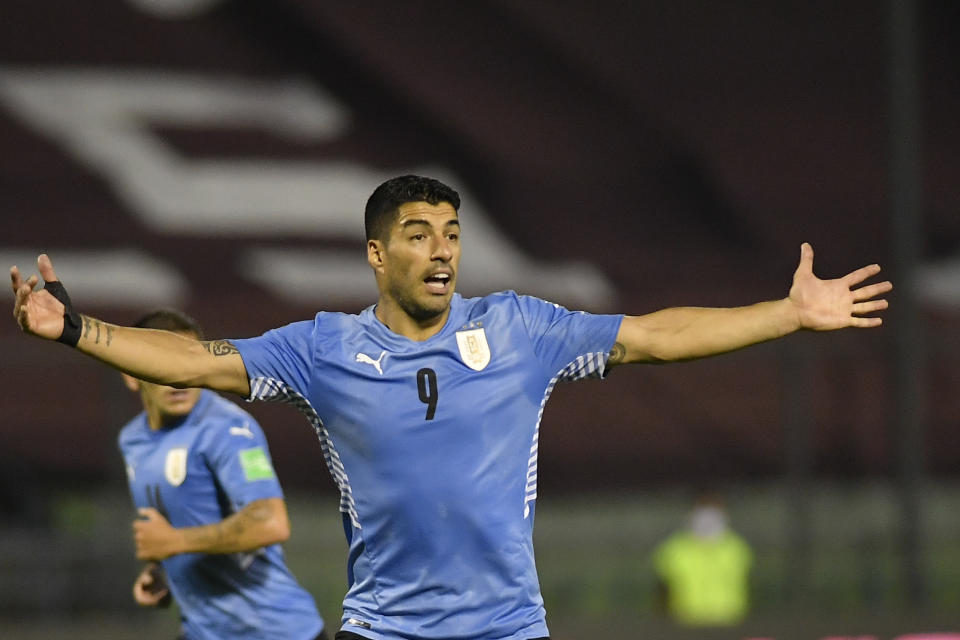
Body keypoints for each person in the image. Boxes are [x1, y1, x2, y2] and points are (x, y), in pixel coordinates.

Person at [11, 175, 891, 640]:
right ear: (375, 254)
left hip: (507, 627)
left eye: (453, 234)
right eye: (420, 235)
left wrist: (787, 313)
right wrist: (74, 328)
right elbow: (197, 360)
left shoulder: (520, 330)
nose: (443, 252)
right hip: (383, 628)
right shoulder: (324, 349)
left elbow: (657, 334)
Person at [117, 308, 327, 640]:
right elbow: (184, 520)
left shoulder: (227, 429)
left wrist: (174, 543)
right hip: (202, 630)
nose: (178, 376)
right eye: (163, 364)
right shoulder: (132, 440)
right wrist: (165, 572)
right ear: (132, 373)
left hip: (272, 632)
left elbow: (269, 521)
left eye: (188, 362)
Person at [652, 491, 753, 627]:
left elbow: (749, 585)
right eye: (702, 511)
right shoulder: (673, 550)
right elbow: (661, 592)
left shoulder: (738, 548)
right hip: (685, 625)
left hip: (731, 624)